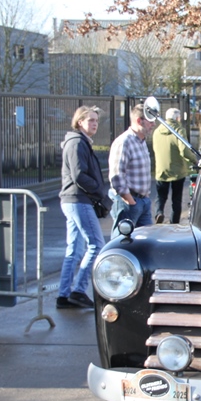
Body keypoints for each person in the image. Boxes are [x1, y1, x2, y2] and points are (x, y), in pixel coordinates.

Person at [57, 106, 108, 309]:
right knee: (96, 245)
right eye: (90, 120)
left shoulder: (80, 142)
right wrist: (98, 190)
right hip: (78, 199)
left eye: (96, 120)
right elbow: (79, 175)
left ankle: (64, 295)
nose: (95, 124)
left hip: (74, 200)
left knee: (75, 250)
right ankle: (78, 291)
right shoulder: (77, 143)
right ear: (80, 122)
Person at [108, 103, 154, 237]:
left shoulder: (141, 141)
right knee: (122, 242)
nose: (153, 124)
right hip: (128, 202)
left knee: (146, 241)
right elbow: (117, 176)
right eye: (150, 121)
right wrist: (130, 201)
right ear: (139, 121)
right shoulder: (124, 142)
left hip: (143, 201)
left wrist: (145, 198)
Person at [152, 108, 197, 224]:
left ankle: (159, 212)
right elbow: (184, 151)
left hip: (161, 169)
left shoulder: (157, 131)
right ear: (177, 118)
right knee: (176, 200)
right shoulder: (178, 130)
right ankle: (174, 223)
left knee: (161, 196)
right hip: (177, 171)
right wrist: (195, 160)